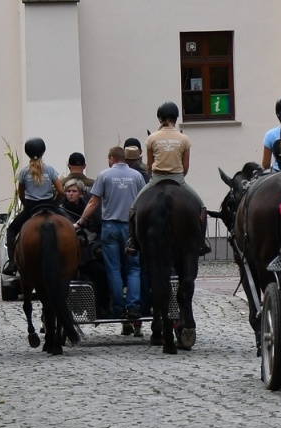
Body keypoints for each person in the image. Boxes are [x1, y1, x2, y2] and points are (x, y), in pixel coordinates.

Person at [132, 102, 209, 255]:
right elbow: (186, 166)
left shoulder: (152, 138)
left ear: (160, 118)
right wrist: (179, 177)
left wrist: (153, 177)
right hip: (178, 179)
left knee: (133, 208)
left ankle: (132, 242)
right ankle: (200, 242)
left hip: (156, 179)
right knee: (202, 208)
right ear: (176, 118)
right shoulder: (184, 139)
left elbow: (149, 165)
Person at [80, 144, 146, 319]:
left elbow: (93, 203)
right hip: (131, 227)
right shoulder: (137, 176)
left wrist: (81, 222)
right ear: (124, 158)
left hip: (110, 226)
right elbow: (143, 202)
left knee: (113, 269)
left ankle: (118, 307)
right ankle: (133, 306)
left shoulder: (104, 175)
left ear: (111, 158)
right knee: (134, 269)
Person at [2, 137, 61, 276]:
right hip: (49, 206)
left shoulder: (23, 172)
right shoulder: (50, 169)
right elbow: (61, 190)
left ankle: (12, 264)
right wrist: (55, 202)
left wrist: (26, 204)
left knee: (11, 230)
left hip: (31, 208)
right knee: (72, 225)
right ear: (43, 152)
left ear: (28, 153)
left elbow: (20, 193)